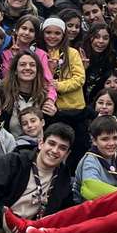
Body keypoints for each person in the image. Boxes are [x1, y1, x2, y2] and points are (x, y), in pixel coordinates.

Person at [42, 16, 88, 169]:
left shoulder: (72, 53)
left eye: (57, 33)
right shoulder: (40, 54)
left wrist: (58, 85)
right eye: (48, 32)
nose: (52, 36)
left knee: (76, 148)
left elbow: (80, 78)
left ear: (63, 35)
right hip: (53, 110)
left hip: (74, 109)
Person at [75, 115, 117, 199]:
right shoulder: (90, 161)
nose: (111, 143)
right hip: (91, 206)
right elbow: (92, 190)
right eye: (105, 139)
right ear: (94, 141)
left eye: (115, 138)